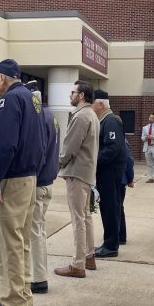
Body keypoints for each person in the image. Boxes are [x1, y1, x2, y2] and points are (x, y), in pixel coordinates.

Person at [0, 59, 45, 306]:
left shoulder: (9, 101)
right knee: (21, 243)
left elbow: (4, 145)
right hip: (29, 177)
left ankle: (12, 305)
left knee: (8, 244)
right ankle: (22, 299)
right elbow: (41, 142)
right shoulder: (31, 99)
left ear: (2, 78)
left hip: (12, 179)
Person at [54, 80, 99, 278]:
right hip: (86, 172)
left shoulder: (81, 116)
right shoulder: (92, 115)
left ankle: (78, 264)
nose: (70, 95)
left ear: (81, 95)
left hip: (77, 173)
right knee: (85, 216)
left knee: (78, 219)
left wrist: (58, 163)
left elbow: (70, 147)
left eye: (72, 92)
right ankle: (89, 256)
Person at [25, 80, 60, 294]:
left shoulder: (38, 117)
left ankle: (38, 278)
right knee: (39, 230)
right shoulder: (51, 115)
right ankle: (38, 274)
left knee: (34, 231)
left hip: (38, 183)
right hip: (47, 181)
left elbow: (37, 151)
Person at [91, 90, 126, 259]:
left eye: (93, 104)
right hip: (107, 171)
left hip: (110, 171)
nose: (92, 107)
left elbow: (113, 148)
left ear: (100, 104)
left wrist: (93, 160)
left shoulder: (111, 121)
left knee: (111, 208)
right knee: (109, 207)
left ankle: (111, 246)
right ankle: (111, 241)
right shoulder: (105, 120)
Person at [119, 139, 135, 245]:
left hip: (119, 180)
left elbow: (129, 160)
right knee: (118, 208)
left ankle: (120, 236)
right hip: (120, 179)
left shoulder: (121, 141)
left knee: (117, 209)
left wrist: (130, 179)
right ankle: (119, 235)